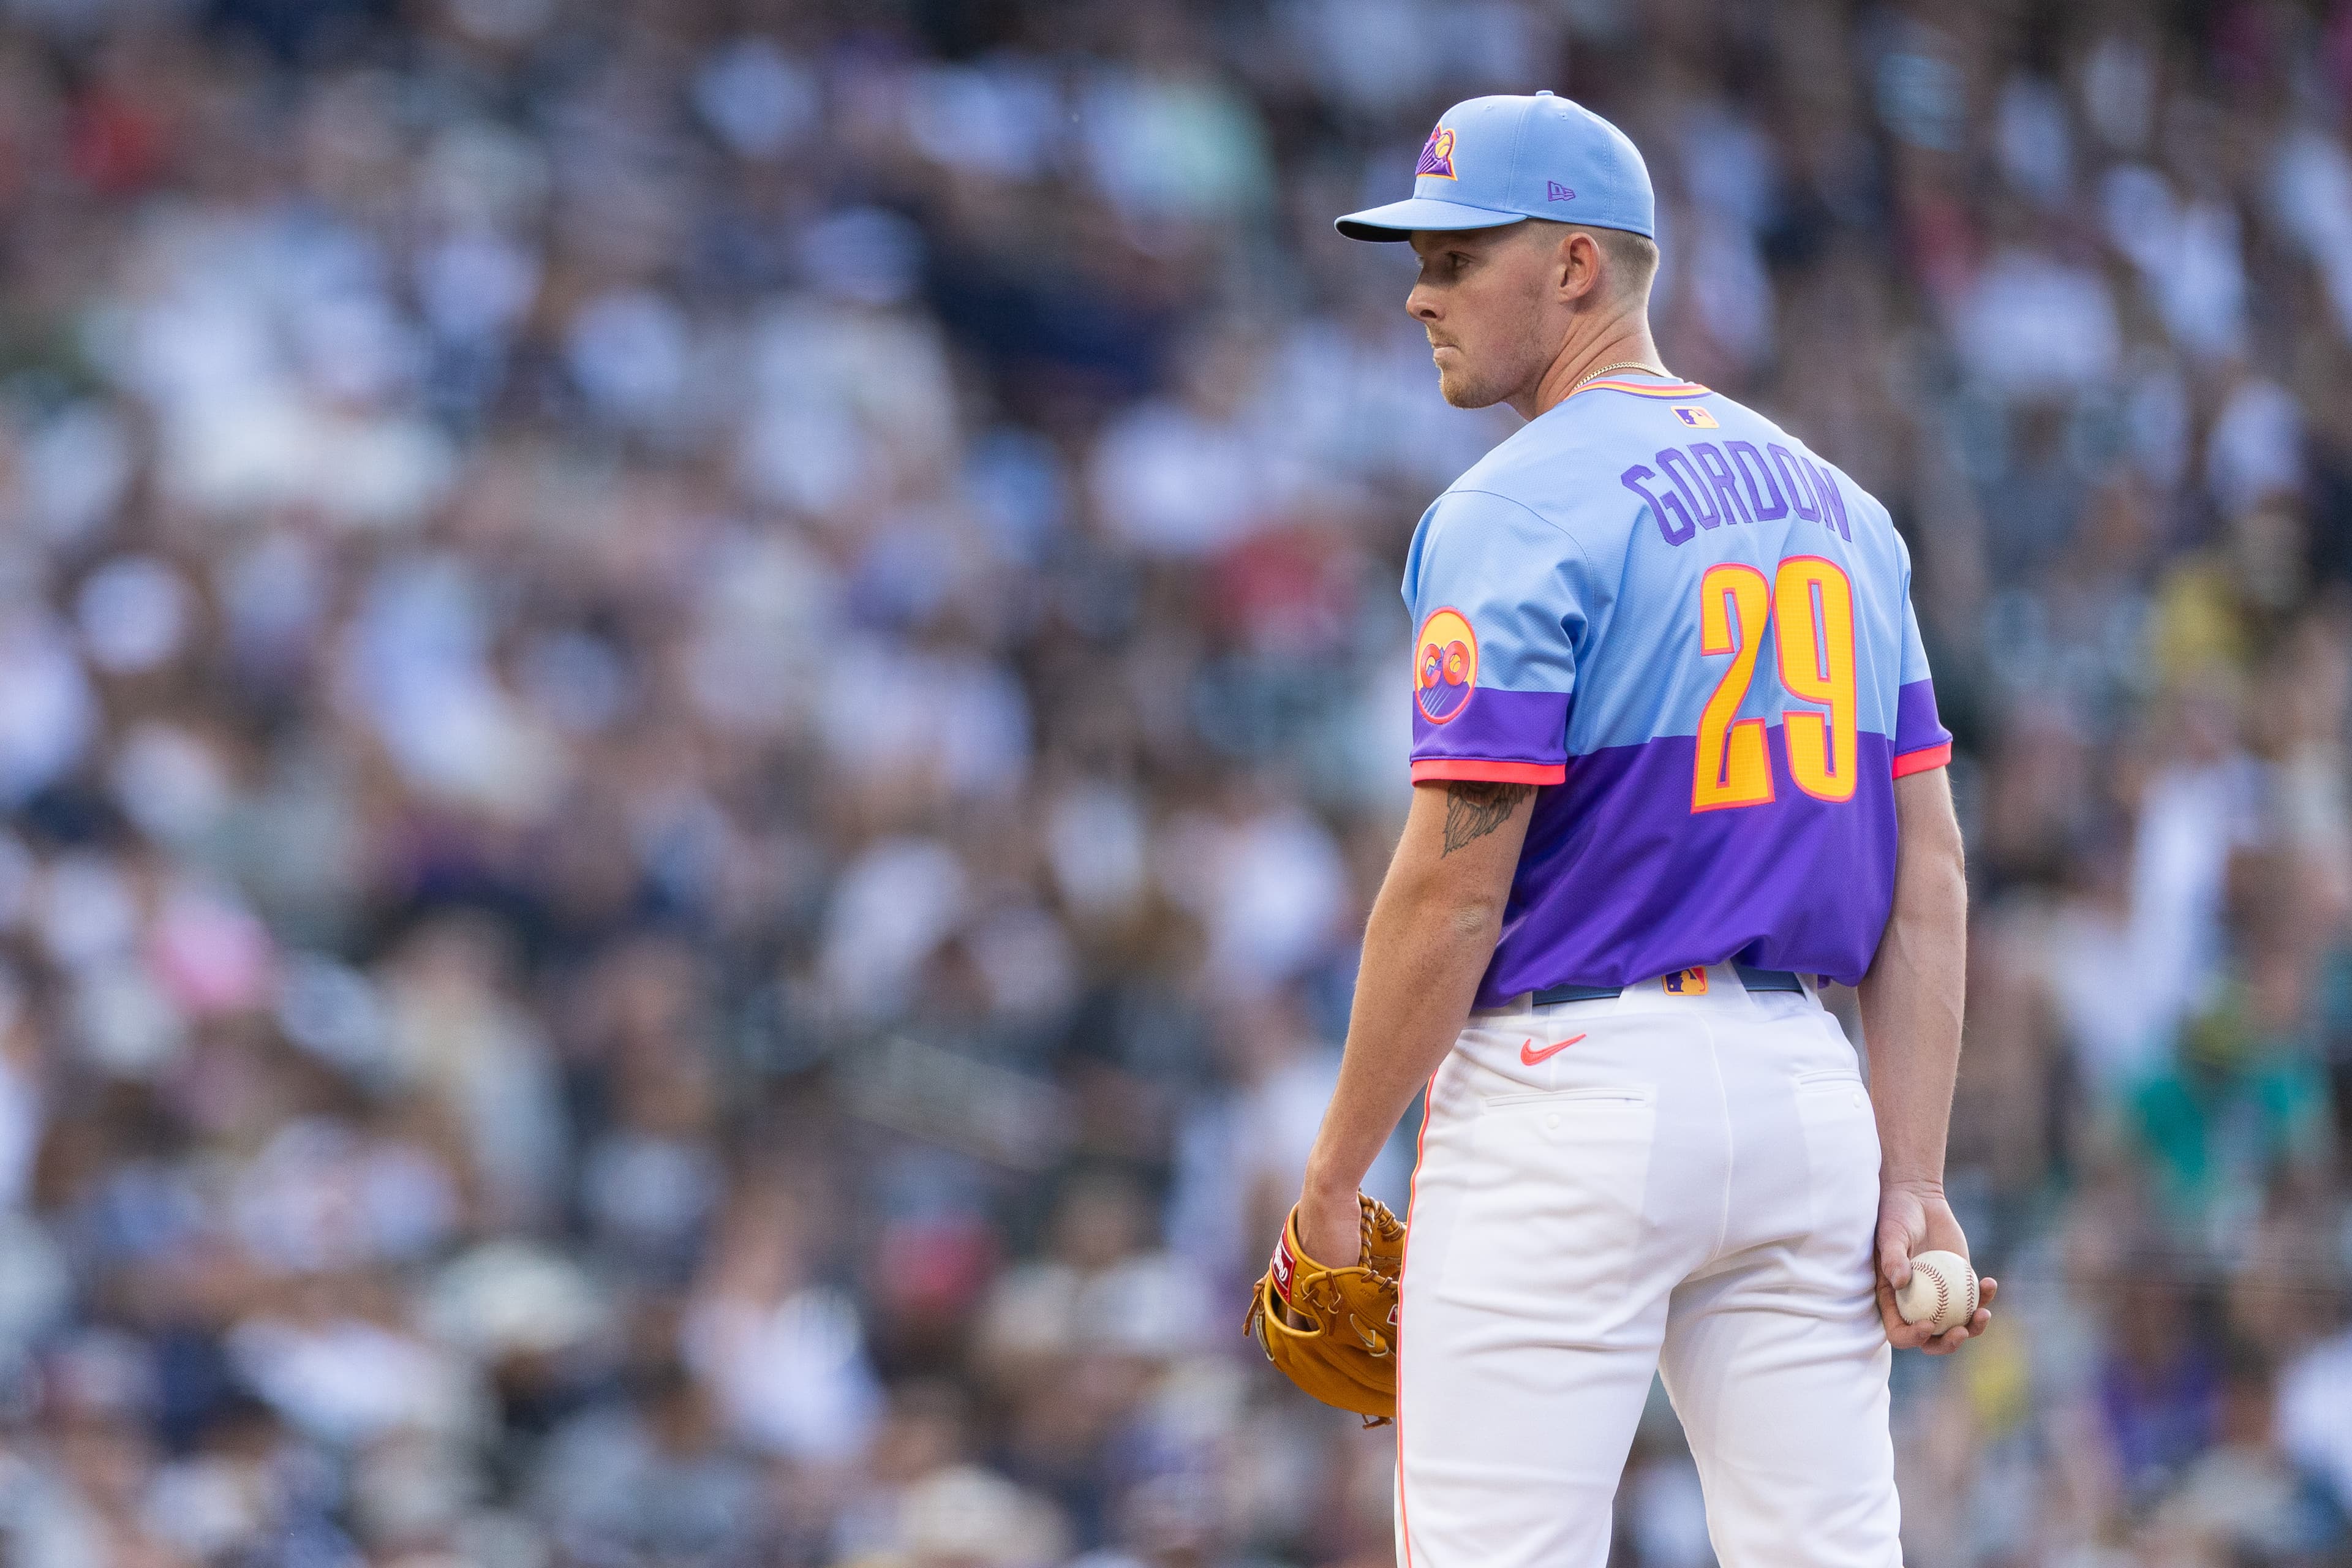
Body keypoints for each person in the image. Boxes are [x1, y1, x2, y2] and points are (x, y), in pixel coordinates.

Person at [1290, 92, 1994, 1566]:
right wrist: (1915, 1175)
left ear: (1575, 267)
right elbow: (1927, 871)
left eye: (1457, 256)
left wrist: (1335, 1174)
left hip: (1572, 1095)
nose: (1420, 292)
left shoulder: (1511, 506)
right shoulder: (1846, 512)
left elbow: (1451, 893)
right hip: (1808, 1093)